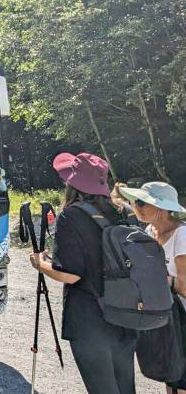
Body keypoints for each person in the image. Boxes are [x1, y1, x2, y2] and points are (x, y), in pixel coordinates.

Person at [29, 152, 137, 394]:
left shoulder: (73, 215)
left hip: (90, 321)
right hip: (127, 315)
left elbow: (70, 274)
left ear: (73, 183)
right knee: (126, 387)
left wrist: (40, 263)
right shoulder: (126, 212)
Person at [120, 181, 186, 394]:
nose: (135, 206)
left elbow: (185, 287)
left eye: (141, 202)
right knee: (172, 372)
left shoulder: (182, 235)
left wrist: (160, 279)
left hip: (182, 316)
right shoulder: (150, 231)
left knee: (182, 376)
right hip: (169, 315)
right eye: (134, 201)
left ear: (163, 208)